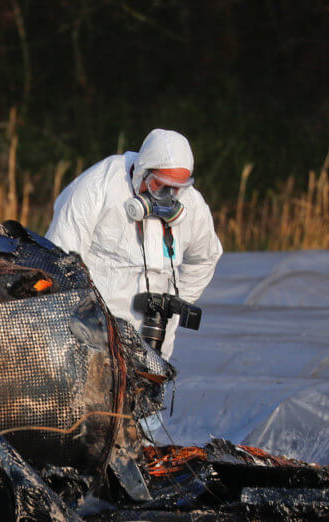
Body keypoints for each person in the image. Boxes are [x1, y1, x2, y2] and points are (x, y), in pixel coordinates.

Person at [46, 129, 222, 358]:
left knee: (147, 391)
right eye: (160, 184)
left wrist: (177, 304)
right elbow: (59, 256)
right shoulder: (98, 185)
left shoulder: (193, 205)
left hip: (154, 339)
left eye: (176, 187)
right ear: (142, 172)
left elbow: (206, 257)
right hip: (94, 334)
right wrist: (82, 315)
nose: (167, 196)